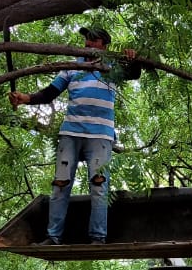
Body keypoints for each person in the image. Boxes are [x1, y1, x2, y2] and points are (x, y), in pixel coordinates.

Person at [8, 25, 139, 245]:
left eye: (94, 40)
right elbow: (50, 92)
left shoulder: (112, 65)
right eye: (86, 40)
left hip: (100, 135)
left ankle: (98, 237)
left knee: (99, 186)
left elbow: (133, 73)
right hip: (71, 132)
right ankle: (53, 236)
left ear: (104, 45)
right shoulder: (72, 66)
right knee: (60, 183)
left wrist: (133, 59)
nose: (88, 43)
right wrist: (25, 98)